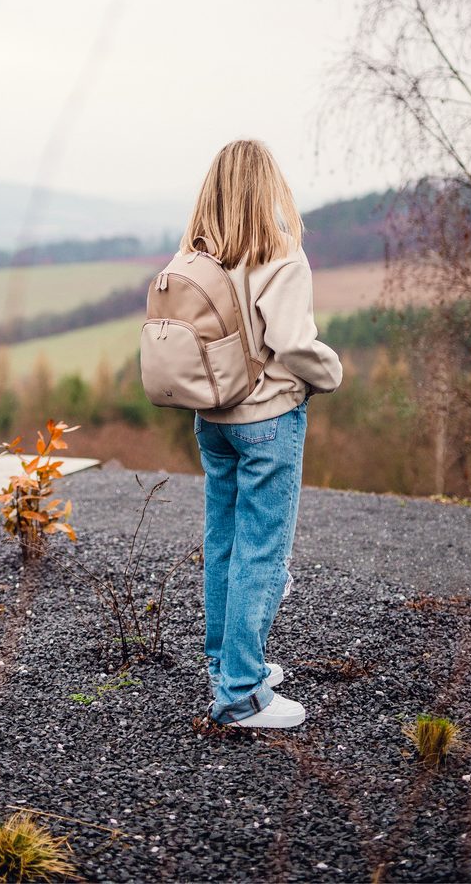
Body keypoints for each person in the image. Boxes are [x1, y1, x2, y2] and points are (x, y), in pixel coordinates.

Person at [177, 139, 343, 729]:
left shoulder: (195, 259)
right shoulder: (283, 257)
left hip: (211, 421)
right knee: (262, 552)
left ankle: (226, 663)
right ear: (267, 188)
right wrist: (331, 373)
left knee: (223, 542)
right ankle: (242, 694)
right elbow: (294, 345)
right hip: (268, 421)